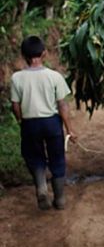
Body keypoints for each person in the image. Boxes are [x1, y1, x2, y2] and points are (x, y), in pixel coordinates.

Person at [10, 35, 77, 210]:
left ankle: (41, 187)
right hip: (52, 123)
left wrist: (20, 120)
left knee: (34, 156)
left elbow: (15, 105)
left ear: (23, 55)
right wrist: (70, 129)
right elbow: (62, 105)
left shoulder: (17, 78)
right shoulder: (55, 76)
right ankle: (60, 199)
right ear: (45, 54)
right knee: (57, 157)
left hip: (30, 123)